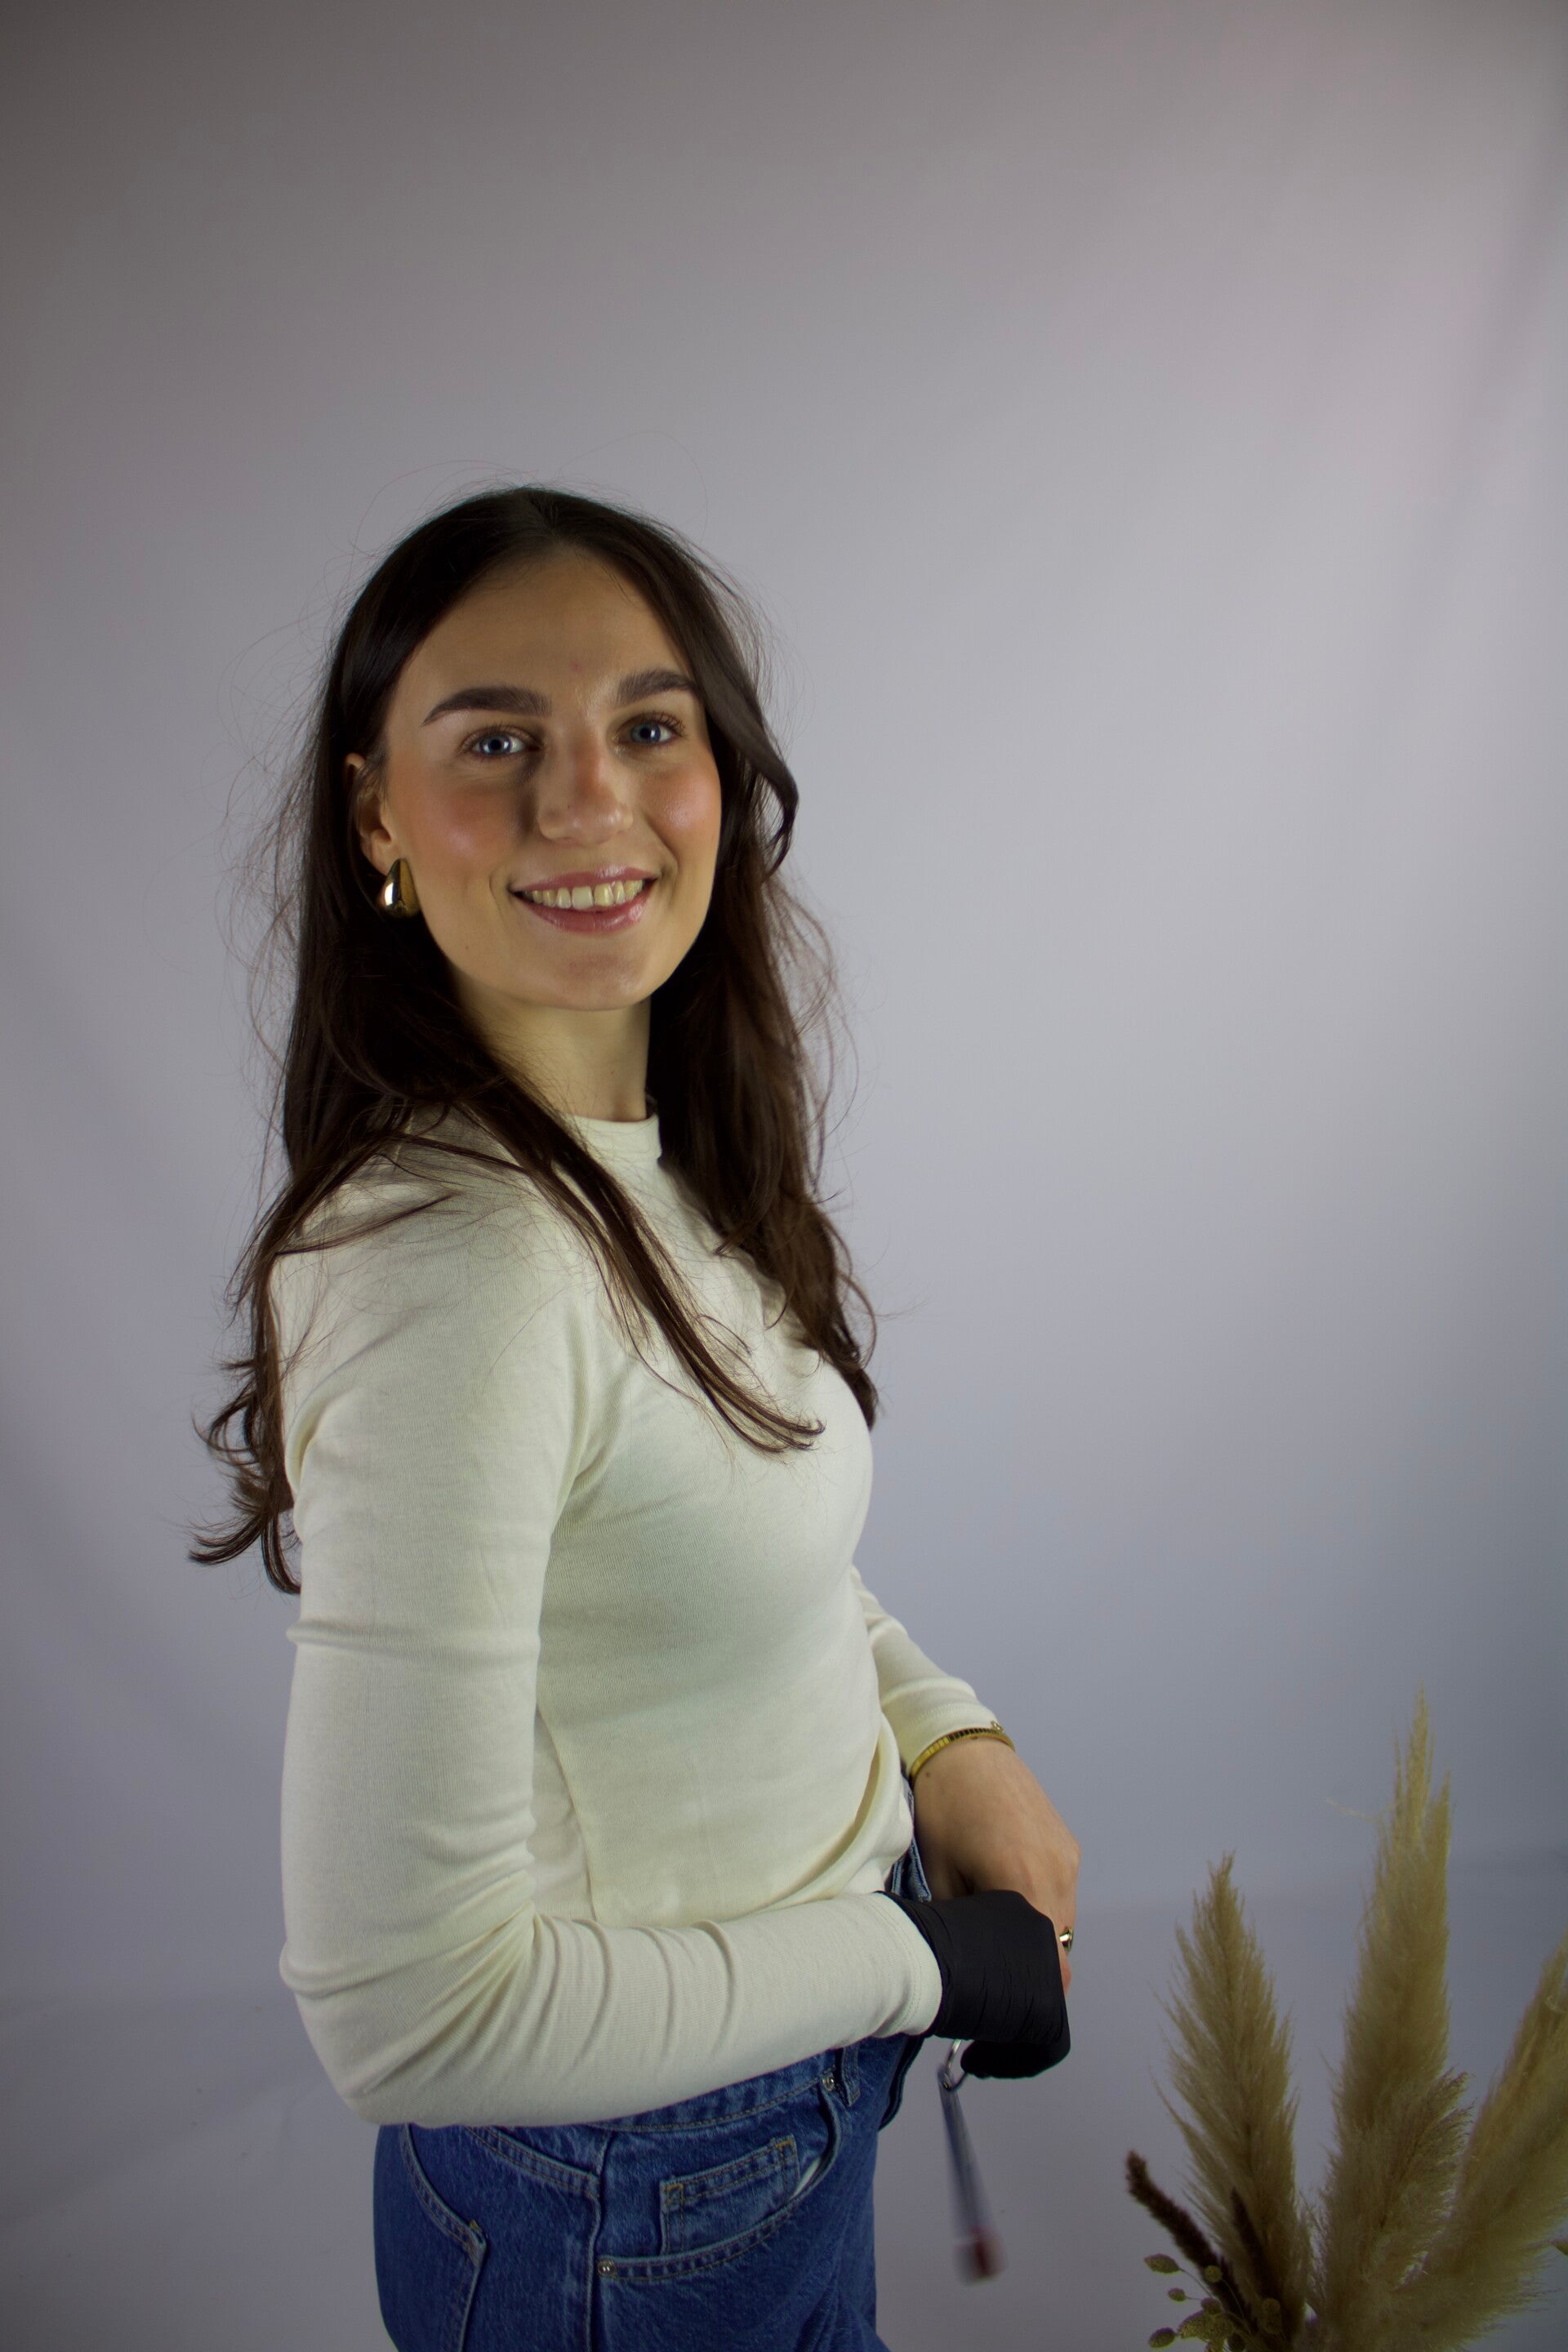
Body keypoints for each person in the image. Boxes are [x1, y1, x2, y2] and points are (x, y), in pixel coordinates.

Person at [192, 484, 1080, 2350]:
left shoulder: (646, 1161)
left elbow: (712, 1535)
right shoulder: (462, 1272)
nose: (586, 800)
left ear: (719, 776)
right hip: (632, 2190)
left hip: (750, 2122)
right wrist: (911, 1961)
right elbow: (409, 2014)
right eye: (496, 739)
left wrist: (942, 1730)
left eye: (647, 727)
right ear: (376, 813)